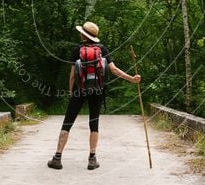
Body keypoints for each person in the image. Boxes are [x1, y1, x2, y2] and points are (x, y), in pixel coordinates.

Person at [47, 21, 140, 171]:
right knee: (94, 124)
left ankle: (57, 158)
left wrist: (72, 91)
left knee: (68, 122)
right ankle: (92, 159)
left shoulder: (77, 50)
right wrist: (131, 79)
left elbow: (72, 75)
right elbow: (114, 70)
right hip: (97, 90)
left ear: (83, 35)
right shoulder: (102, 49)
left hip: (79, 89)